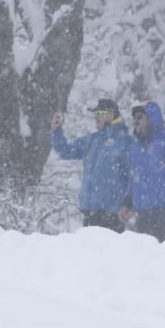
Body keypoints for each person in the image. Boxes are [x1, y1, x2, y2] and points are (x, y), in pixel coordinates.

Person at [51, 98, 132, 232]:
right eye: (96, 114)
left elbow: (133, 178)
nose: (96, 117)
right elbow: (65, 151)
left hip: (112, 214)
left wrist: (127, 205)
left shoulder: (124, 142)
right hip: (90, 211)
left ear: (112, 115)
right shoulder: (92, 140)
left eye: (100, 113)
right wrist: (57, 130)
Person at [118, 100, 165, 241]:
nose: (136, 121)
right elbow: (134, 179)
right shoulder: (135, 147)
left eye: (139, 117)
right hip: (143, 212)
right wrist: (127, 204)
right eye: (134, 117)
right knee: (147, 257)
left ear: (151, 117)